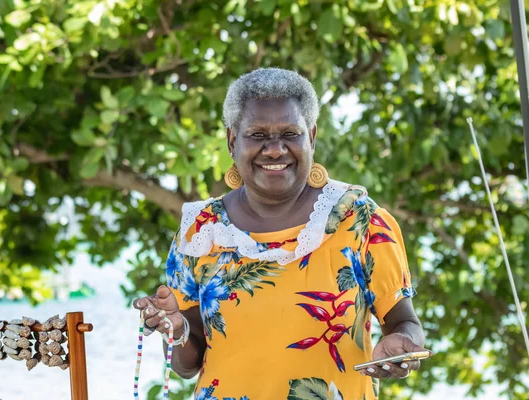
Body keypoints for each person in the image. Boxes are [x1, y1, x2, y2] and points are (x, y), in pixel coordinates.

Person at [133, 68, 428, 399]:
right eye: (257, 135)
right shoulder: (201, 229)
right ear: (232, 141)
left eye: (290, 134)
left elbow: (404, 321)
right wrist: (176, 329)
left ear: (312, 137)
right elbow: (187, 365)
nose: (275, 150)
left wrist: (404, 345)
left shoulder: (360, 220)